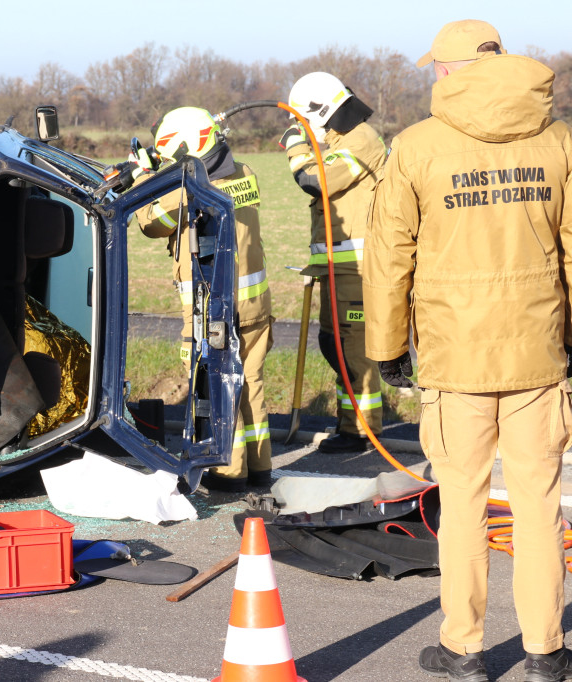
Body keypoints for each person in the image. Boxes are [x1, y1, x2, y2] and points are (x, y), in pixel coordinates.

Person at [364, 20, 572, 682]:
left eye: (437, 68)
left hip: (457, 361)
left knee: (464, 506)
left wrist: (387, 346)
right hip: (539, 354)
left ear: (452, 70)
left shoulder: (418, 147)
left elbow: (388, 257)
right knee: (539, 505)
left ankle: (465, 649)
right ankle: (546, 653)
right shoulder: (558, 141)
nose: (433, 77)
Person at [134, 106, 273, 492]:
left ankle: (229, 473)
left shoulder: (187, 190)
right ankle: (260, 469)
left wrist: (147, 175)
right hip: (255, 306)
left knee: (219, 386)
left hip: (215, 310)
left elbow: (148, 222)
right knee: (251, 386)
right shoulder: (245, 173)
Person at [281, 72, 386, 454]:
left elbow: (314, 179)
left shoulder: (361, 141)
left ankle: (362, 431)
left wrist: (295, 144)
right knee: (334, 345)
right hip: (336, 272)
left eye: (305, 122)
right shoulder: (345, 141)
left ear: (322, 112)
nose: (304, 130)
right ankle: (350, 423)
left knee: (353, 350)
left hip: (357, 272)